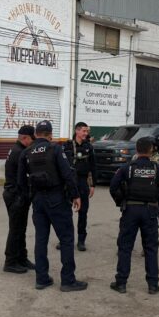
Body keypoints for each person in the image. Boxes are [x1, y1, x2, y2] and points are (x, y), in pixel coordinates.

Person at [18, 120, 88, 292]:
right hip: (56, 198)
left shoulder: (26, 152)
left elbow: (21, 181)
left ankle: (42, 279)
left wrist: (30, 198)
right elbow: (67, 174)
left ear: (35, 134)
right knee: (66, 239)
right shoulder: (55, 149)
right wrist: (75, 195)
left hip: (38, 200)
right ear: (50, 134)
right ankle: (68, 281)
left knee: (41, 239)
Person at [109, 137, 159, 294]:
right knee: (150, 248)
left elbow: (113, 187)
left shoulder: (127, 168)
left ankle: (121, 283)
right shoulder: (158, 169)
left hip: (130, 210)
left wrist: (121, 201)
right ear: (151, 150)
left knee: (125, 247)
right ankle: (153, 285)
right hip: (150, 211)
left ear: (136, 150)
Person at [2, 125, 36, 274]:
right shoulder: (19, 152)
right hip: (15, 195)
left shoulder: (18, 150)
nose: (33, 142)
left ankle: (21, 257)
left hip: (17, 194)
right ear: (24, 138)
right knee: (16, 229)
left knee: (21, 228)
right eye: (32, 139)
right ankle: (10, 262)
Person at [62, 121, 96, 251]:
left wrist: (93, 185)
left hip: (82, 182)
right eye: (84, 131)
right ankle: (64, 239)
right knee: (65, 212)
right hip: (69, 182)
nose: (86, 133)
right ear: (77, 131)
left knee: (83, 213)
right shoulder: (67, 146)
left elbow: (93, 167)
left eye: (87, 131)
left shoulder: (89, 147)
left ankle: (81, 240)